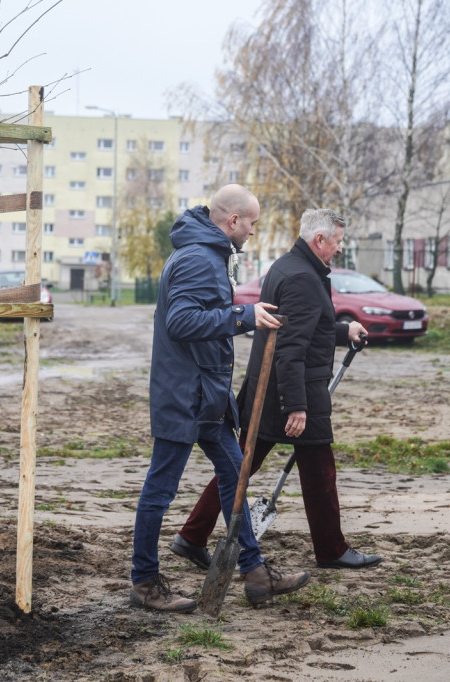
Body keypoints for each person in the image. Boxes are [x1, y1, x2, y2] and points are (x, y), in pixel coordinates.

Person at [130, 184, 311, 613]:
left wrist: (248, 311)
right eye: (251, 224)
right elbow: (182, 320)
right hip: (185, 395)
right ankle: (144, 583)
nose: (252, 232)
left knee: (235, 476)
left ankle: (255, 572)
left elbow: (203, 311)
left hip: (205, 395)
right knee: (160, 489)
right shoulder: (197, 257)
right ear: (233, 221)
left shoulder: (206, 253)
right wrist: (243, 316)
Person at [171, 208, 383, 572]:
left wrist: (342, 330)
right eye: (338, 241)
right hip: (293, 390)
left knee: (240, 466)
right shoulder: (302, 277)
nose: (340, 249)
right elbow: (289, 349)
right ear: (320, 240)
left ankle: (191, 536)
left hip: (268, 387)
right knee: (316, 472)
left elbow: (297, 327)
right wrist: (296, 406)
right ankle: (331, 549)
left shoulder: (289, 266)